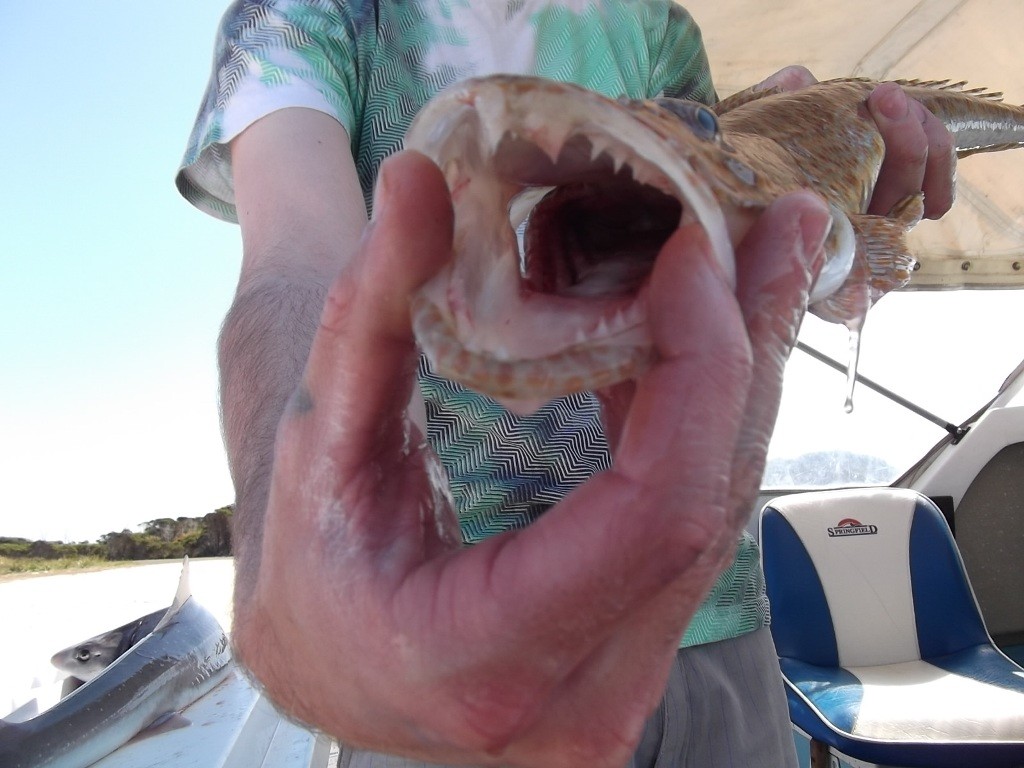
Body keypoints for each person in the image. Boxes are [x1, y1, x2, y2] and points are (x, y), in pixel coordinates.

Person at [176, 2, 955, 766]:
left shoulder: (657, 24)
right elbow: (292, 266)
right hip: (436, 638)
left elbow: (714, 229)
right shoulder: (300, 15)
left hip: (715, 612)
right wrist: (299, 539)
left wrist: (844, 231)